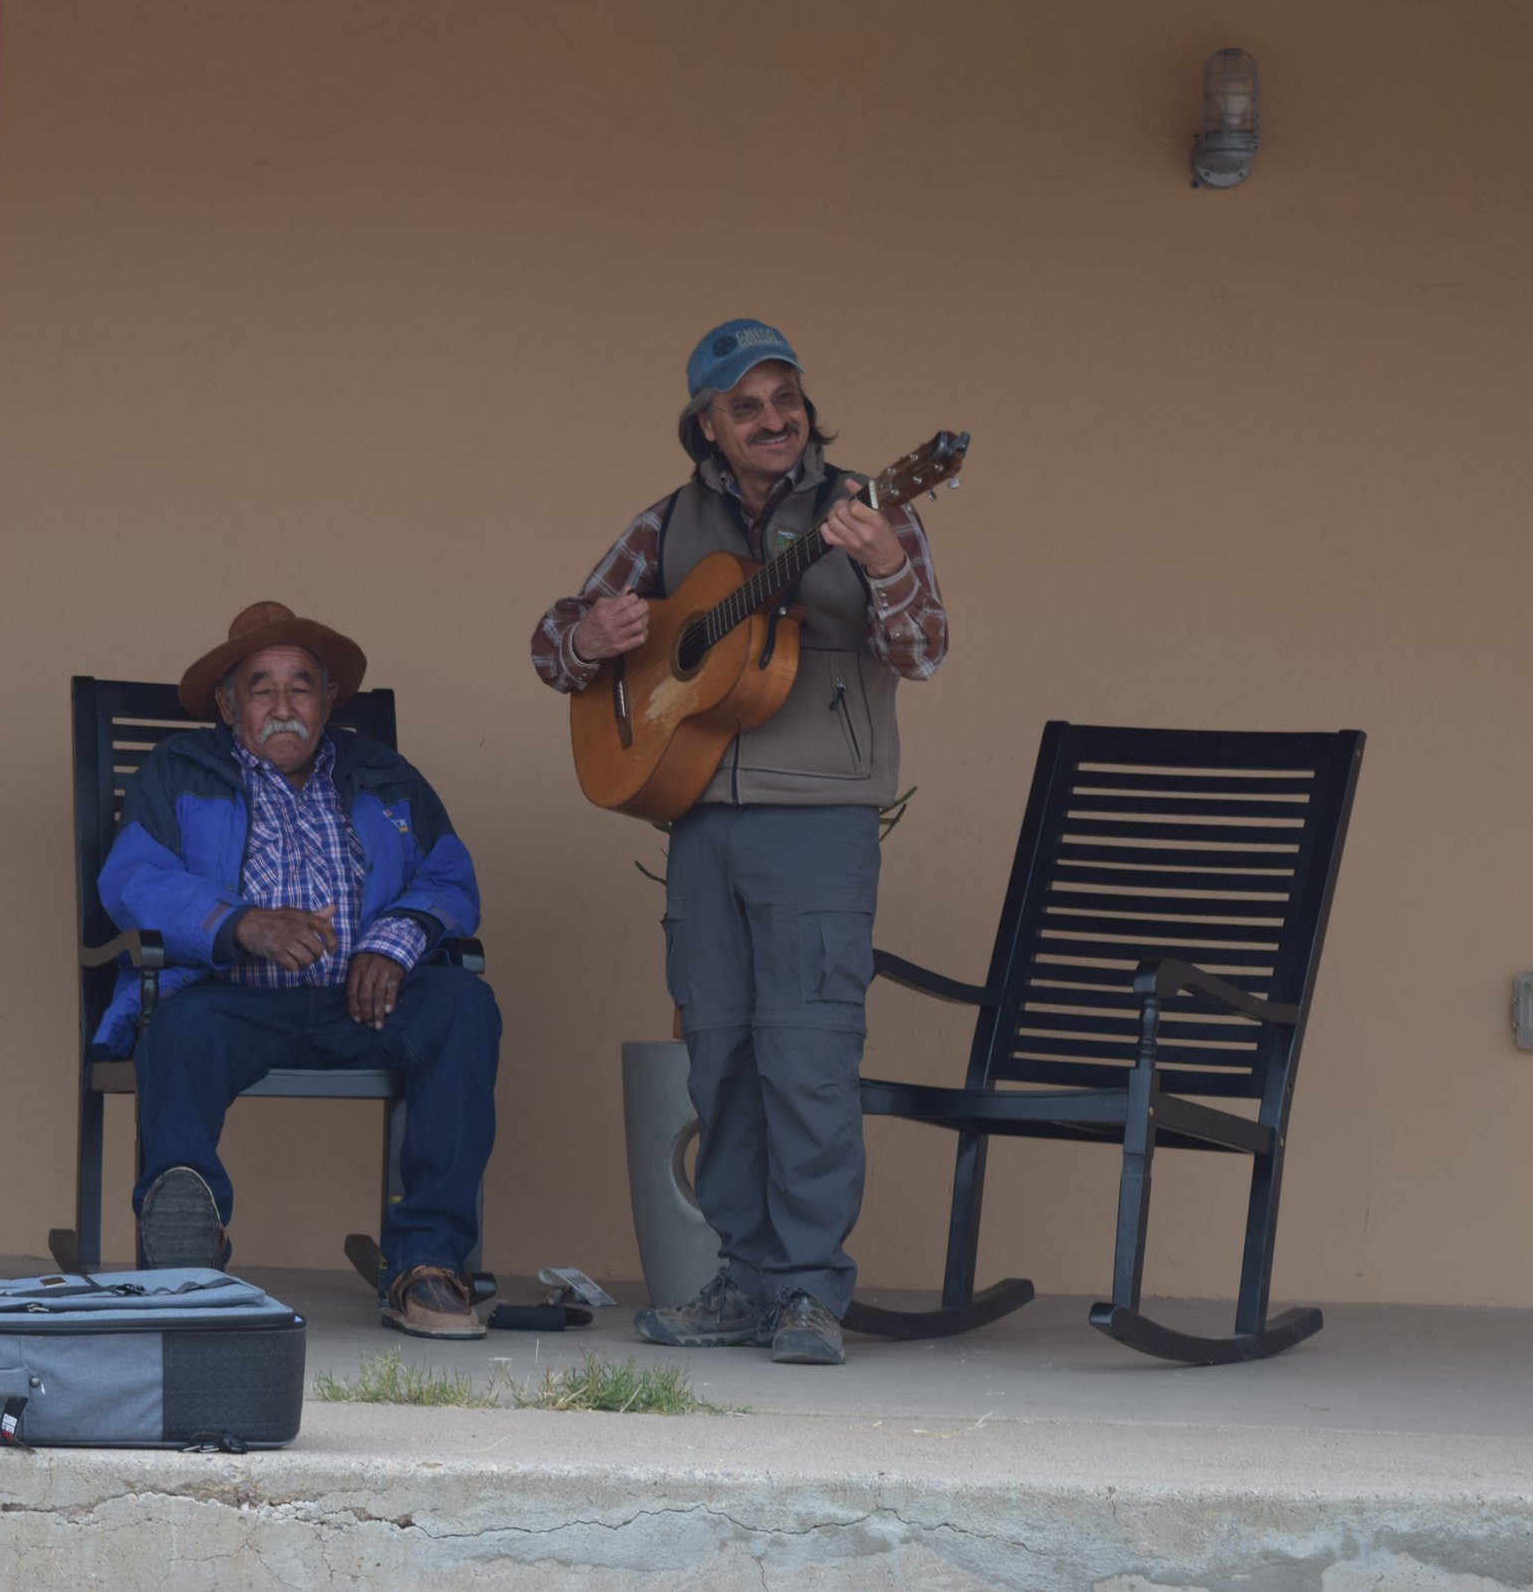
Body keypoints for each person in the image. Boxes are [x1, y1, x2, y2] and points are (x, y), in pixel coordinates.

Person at [529, 320, 949, 1365]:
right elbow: (554, 643)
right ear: (707, 425)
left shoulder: (868, 505)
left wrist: (887, 562)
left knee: (807, 1057)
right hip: (701, 815)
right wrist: (588, 636)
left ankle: (807, 1289)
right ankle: (742, 1281)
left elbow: (925, 649)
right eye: (745, 405)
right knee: (718, 1055)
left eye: (785, 398)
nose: (772, 419)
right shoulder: (667, 521)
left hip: (819, 816)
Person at [94, 601, 501, 1340]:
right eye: (262, 688)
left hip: (365, 1002)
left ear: (328, 699)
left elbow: (448, 873)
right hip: (231, 998)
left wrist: (395, 941)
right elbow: (134, 880)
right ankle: (188, 1257)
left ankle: (429, 1262)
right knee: (177, 1031)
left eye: (301, 686)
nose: (283, 706)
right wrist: (239, 923)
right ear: (229, 705)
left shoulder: (386, 775)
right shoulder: (178, 770)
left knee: (462, 1005)